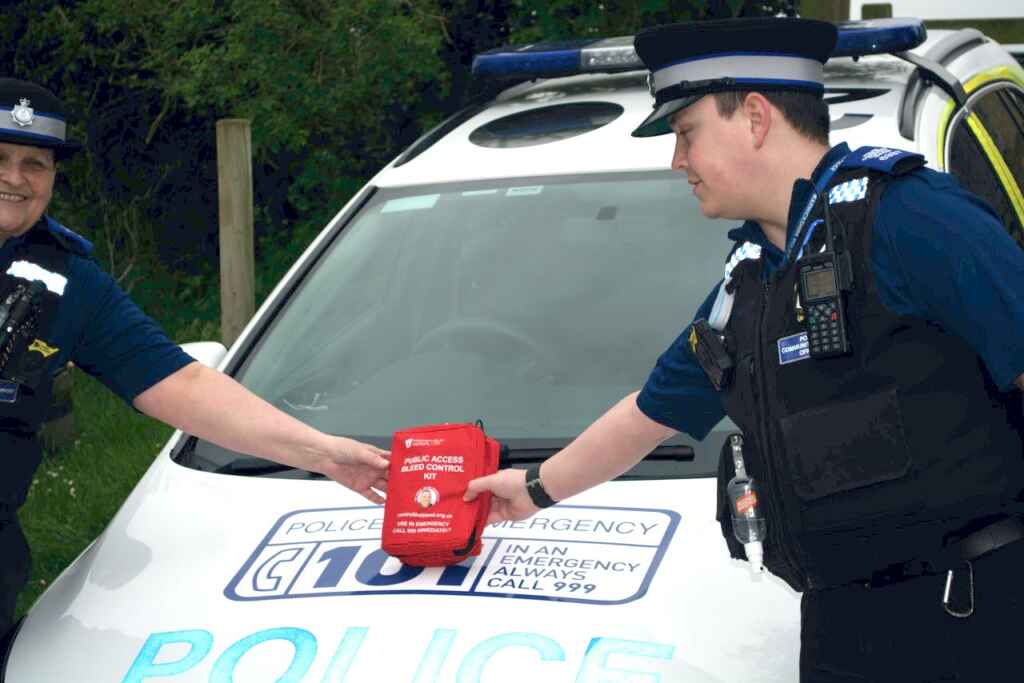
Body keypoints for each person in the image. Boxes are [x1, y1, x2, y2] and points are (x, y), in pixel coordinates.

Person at [465, 17, 1024, 682]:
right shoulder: (756, 274)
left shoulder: (912, 218)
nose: (678, 161)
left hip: (968, 616)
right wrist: (531, 489)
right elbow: (652, 411)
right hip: (846, 626)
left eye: (685, 133)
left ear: (755, 117)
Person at [0, 78, 389, 639]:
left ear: (53, 178)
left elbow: (182, 383)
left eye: (35, 163)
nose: (16, 178)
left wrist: (324, 453)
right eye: (2, 158)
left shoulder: (70, 283)